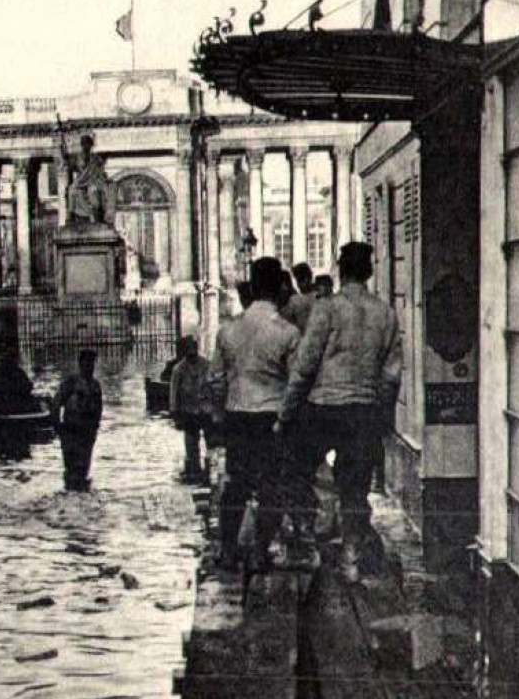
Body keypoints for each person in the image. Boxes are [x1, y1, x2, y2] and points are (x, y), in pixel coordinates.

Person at [279, 241, 402, 567]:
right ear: (370, 272)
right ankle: (351, 551)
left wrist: (287, 412)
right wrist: (382, 416)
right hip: (363, 409)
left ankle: (306, 536)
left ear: (341, 269)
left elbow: (305, 365)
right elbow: (391, 376)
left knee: (298, 468)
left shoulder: (327, 308)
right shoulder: (385, 313)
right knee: (355, 486)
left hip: (323, 407)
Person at [208, 257, 301, 572]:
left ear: (253, 286)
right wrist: (287, 418)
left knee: (236, 483)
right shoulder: (287, 333)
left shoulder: (228, 329)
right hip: (272, 417)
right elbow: (297, 383)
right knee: (271, 486)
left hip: (238, 416)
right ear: (277, 289)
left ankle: (228, 550)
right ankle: (261, 550)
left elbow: (215, 379)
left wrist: (222, 413)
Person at [54, 349, 104, 492]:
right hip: (71, 431)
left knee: (84, 469)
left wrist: (95, 427)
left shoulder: (95, 385)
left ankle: (81, 498)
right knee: (71, 470)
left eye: (92, 363)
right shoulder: (71, 382)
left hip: (87, 433)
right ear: (80, 364)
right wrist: (58, 427)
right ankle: (70, 497)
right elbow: (56, 403)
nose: (90, 367)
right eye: (87, 363)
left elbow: (99, 408)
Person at [169, 335, 211, 482]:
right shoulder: (178, 369)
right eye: (189, 350)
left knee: (210, 441)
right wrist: (175, 412)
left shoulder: (206, 365)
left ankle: (208, 470)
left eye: (194, 349)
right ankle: (194, 469)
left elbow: (212, 385)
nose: (192, 352)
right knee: (191, 441)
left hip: (205, 409)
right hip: (188, 410)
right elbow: (174, 393)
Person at [0, 351, 38, 416]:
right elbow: (28, 387)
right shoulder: (18, 372)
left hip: (3, 404)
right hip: (12, 404)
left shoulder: (0, 373)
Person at [282, 263, 318, 333]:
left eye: (301, 280)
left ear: (309, 278)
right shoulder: (294, 300)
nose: (298, 285)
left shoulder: (295, 300)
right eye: (297, 281)